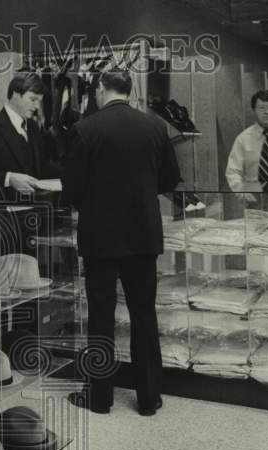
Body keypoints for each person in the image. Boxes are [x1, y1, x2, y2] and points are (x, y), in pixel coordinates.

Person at [61, 70, 181, 416]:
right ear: (129, 91)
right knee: (144, 314)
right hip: (143, 234)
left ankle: (99, 398)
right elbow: (170, 179)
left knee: (100, 316)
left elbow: (72, 188)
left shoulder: (85, 129)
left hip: (100, 236)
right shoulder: (155, 127)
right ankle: (149, 398)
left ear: (100, 89)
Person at [0, 72, 62, 257]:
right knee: (3, 275)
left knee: (27, 275)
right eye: (33, 99)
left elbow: (42, 165)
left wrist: (72, 173)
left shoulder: (33, 127)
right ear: (16, 94)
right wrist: (9, 179)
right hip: (0, 220)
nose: (36, 107)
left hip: (30, 217)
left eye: (39, 101)